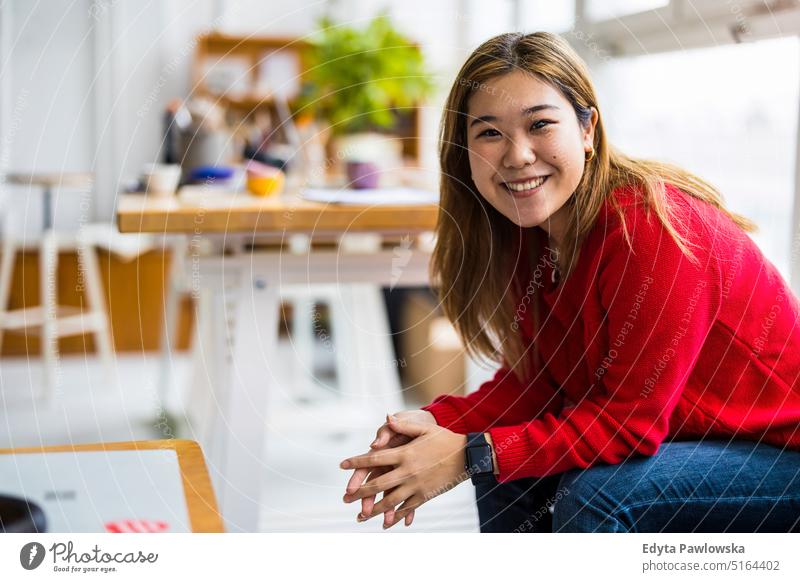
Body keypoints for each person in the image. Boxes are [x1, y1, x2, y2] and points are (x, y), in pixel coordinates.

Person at [339, 32, 800, 533]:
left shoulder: (649, 227)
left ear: (587, 129)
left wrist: (470, 453)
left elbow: (629, 424)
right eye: (489, 133)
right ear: (463, 151)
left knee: (594, 493)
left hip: (780, 452)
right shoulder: (530, 233)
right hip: (693, 439)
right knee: (505, 461)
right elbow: (539, 382)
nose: (517, 155)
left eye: (540, 124)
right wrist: (431, 427)